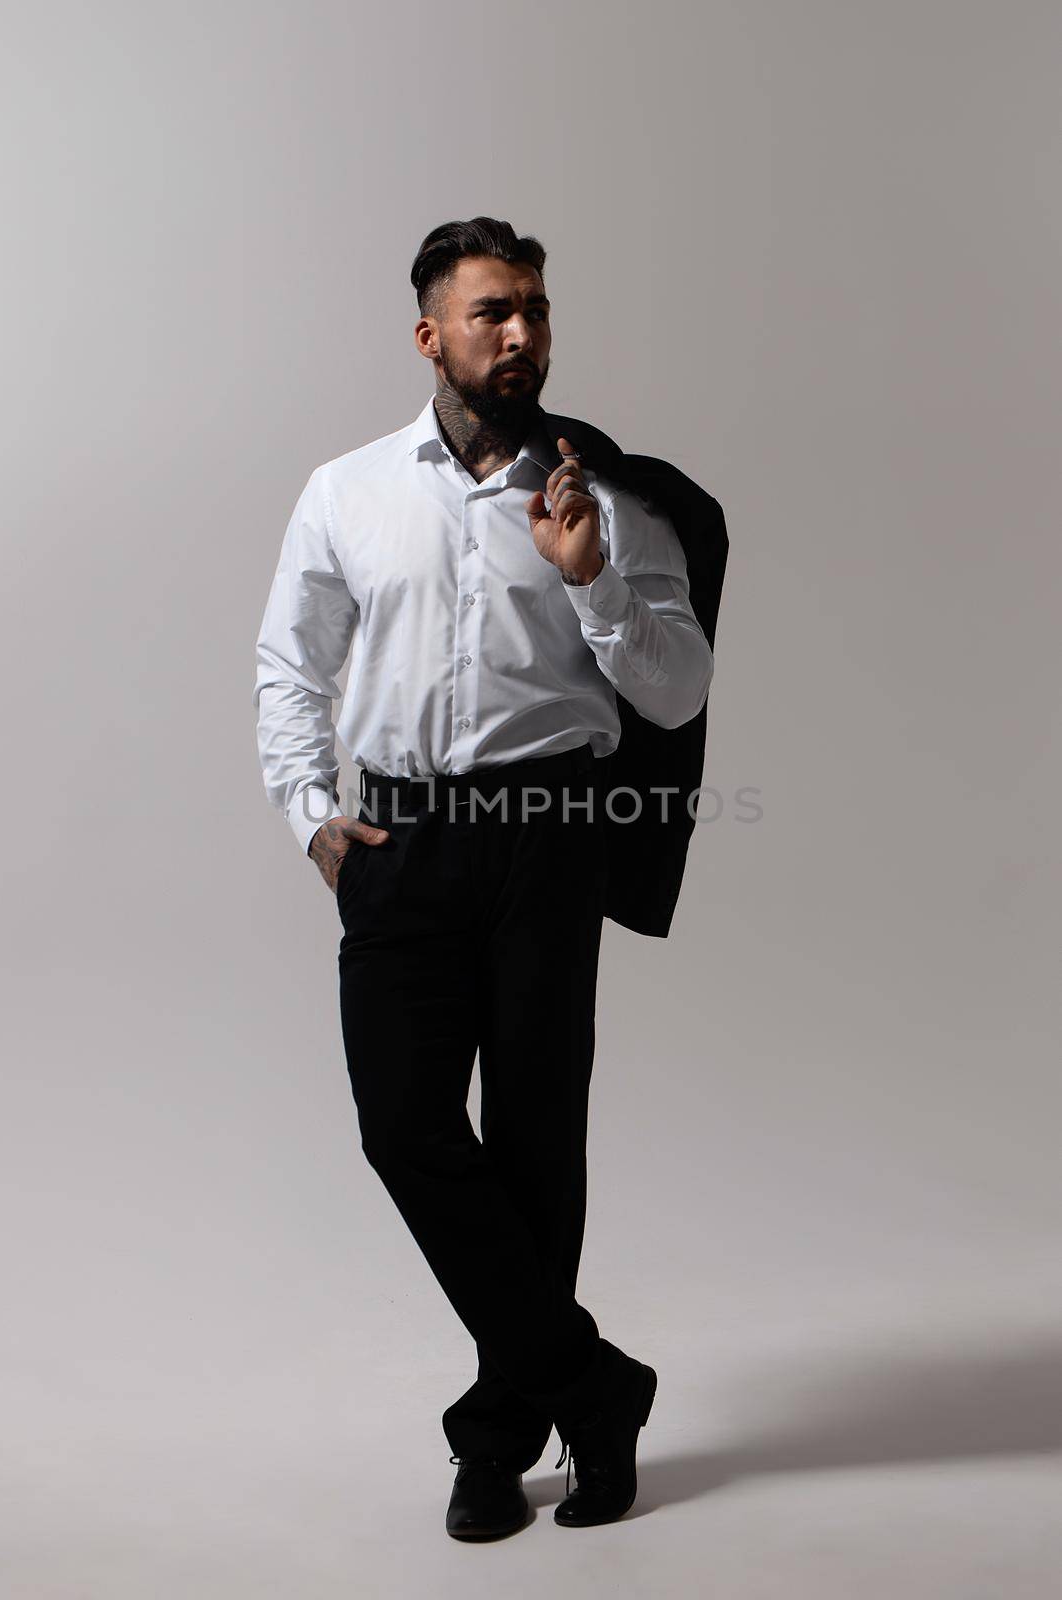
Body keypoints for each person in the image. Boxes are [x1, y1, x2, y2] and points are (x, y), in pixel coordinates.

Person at [252, 216, 714, 1539]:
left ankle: (501, 1434)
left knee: (532, 1143)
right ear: (431, 335)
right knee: (404, 1127)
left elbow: (677, 689)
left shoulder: (605, 502)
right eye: (494, 312)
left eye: (537, 312)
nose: (522, 334)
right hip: (396, 848)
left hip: (546, 838)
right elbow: (293, 664)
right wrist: (311, 815)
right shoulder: (345, 491)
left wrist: (594, 588)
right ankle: (595, 1386)